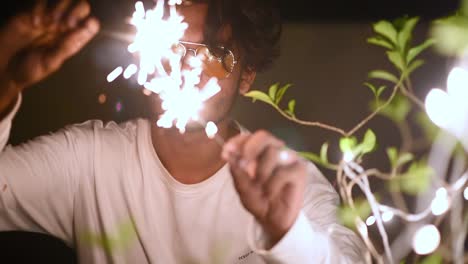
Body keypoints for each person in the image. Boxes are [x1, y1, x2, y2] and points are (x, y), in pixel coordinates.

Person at [0, 0, 364, 263]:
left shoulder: (287, 185)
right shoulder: (88, 161)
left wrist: (285, 233)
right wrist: (3, 82)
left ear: (247, 74)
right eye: (172, 48)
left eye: (214, 55)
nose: (187, 70)